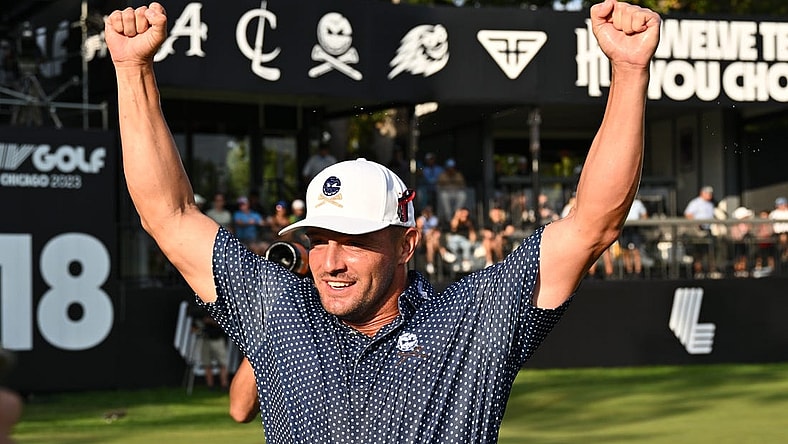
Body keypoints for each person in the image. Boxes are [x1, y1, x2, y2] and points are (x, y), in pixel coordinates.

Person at [105, 1, 659, 442]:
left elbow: (592, 226)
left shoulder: (471, 320)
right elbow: (169, 216)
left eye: (352, 241)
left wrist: (630, 72)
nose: (329, 262)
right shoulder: (280, 311)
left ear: (406, 243)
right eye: (318, 240)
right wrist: (132, 69)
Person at [190, 304, 230, 391]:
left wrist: (211, 321)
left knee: (222, 363)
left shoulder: (218, 309)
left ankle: (224, 385)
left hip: (217, 339)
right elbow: (194, 328)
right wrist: (199, 329)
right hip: (206, 340)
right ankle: (210, 386)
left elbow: (224, 323)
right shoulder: (200, 312)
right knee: (207, 363)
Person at [683, 185, 717, 278]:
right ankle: (699, 272)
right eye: (707, 193)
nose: (709, 195)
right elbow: (688, 214)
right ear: (702, 193)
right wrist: (696, 224)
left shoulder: (711, 204)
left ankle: (711, 271)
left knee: (710, 251)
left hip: (708, 230)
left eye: (710, 193)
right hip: (697, 231)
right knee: (698, 253)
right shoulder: (695, 202)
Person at [620, 197, 648, 277]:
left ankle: (638, 272)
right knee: (625, 251)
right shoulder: (623, 201)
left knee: (636, 251)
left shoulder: (638, 203)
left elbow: (645, 215)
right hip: (625, 228)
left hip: (635, 228)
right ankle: (628, 271)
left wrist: (641, 221)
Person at [444, 207, 478, 272]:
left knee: (467, 245)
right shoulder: (455, 220)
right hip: (454, 239)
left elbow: (472, 233)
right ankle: (458, 262)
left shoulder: (469, 222)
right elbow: (453, 227)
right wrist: (457, 216)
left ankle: (465, 261)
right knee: (453, 246)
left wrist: (472, 241)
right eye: (462, 214)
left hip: (464, 241)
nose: (464, 216)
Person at [769, 196, 788, 263]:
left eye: (783, 204)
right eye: (779, 204)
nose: (781, 206)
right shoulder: (774, 213)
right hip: (777, 234)